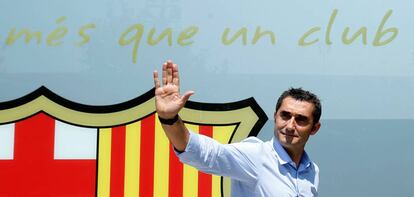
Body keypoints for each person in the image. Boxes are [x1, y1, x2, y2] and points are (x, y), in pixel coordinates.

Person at [153, 60, 322, 197]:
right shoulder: (256, 155)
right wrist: (169, 119)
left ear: (314, 128)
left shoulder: (312, 170)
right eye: (285, 115)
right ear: (275, 116)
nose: (290, 125)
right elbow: (206, 153)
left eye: (300, 120)